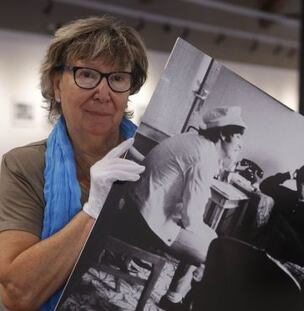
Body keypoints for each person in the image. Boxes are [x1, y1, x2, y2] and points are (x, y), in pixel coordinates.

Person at [0, 16, 148, 310]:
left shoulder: (145, 160)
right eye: (87, 74)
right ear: (57, 85)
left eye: (117, 78)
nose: (103, 93)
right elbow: (17, 293)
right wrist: (93, 209)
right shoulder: (25, 165)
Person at [123, 106, 246, 310]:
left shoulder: (194, 140)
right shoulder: (204, 156)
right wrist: (207, 235)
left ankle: (173, 297)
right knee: (215, 253)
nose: (241, 145)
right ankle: (178, 301)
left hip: (137, 203)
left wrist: (206, 232)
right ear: (223, 134)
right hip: (146, 218)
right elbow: (190, 219)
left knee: (210, 238)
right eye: (238, 137)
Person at [257, 165, 304, 266]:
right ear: (298, 183)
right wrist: (287, 175)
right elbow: (264, 185)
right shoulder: (286, 195)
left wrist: (286, 231)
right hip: (275, 241)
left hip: (296, 252)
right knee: (275, 229)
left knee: (278, 219)